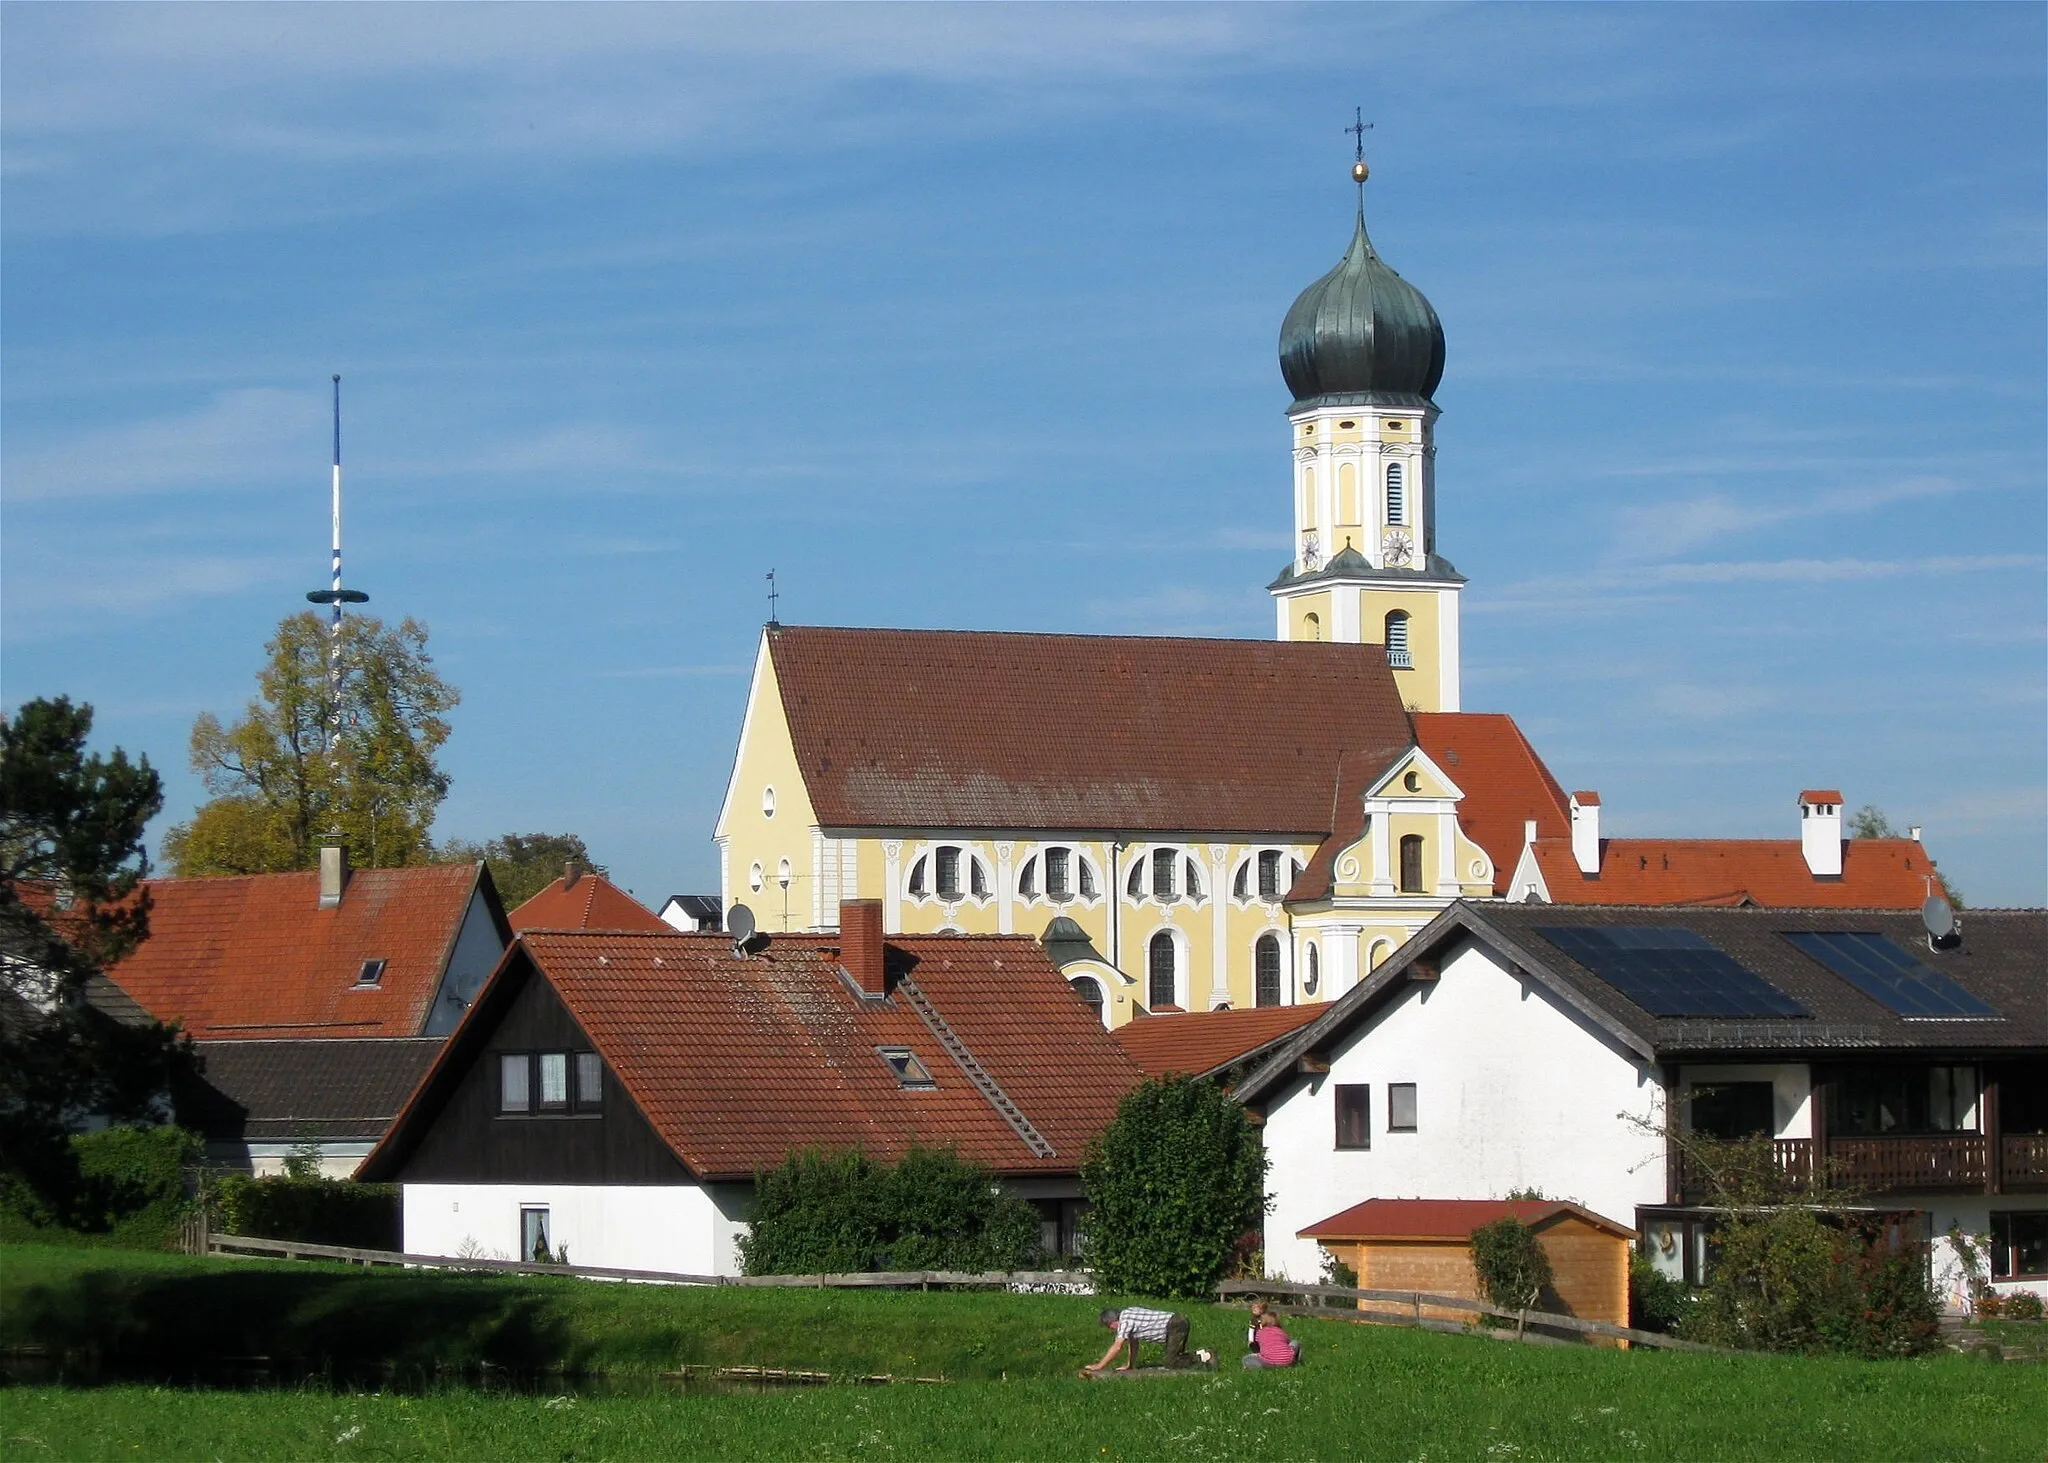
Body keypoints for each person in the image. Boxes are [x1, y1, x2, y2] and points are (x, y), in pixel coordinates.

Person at [1080, 1305, 1193, 1375]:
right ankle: (1201, 1357)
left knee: (1171, 1363)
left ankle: (1204, 1357)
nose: (1111, 1329)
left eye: (1109, 1326)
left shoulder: (1125, 1322)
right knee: (1176, 1359)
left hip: (1175, 1325)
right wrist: (1130, 1364)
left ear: (1113, 1322)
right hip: (1177, 1322)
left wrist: (1099, 1366)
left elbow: (1117, 1347)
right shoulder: (1129, 1313)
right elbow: (1133, 1343)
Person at [1242, 1303, 1300, 1369]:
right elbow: (1288, 1341)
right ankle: (1296, 1360)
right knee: (1295, 1342)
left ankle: (1258, 1365)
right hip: (1287, 1360)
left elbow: (1257, 1344)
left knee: (1246, 1358)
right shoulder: (1281, 1332)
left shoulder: (1260, 1332)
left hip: (1268, 1361)